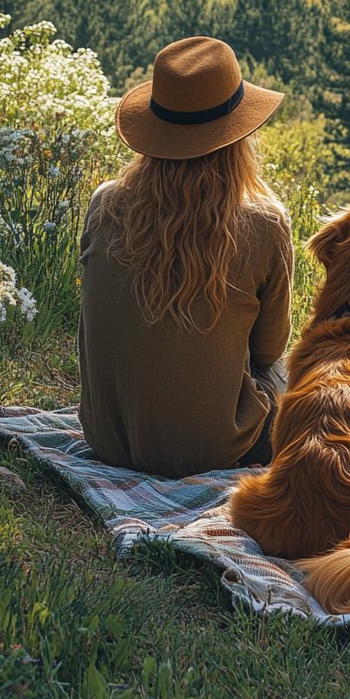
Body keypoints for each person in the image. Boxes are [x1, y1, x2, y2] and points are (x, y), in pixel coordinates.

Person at [76, 35, 293, 477]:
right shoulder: (263, 222)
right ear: (239, 136)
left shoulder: (105, 203)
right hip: (213, 449)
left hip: (109, 439)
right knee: (296, 377)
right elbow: (269, 350)